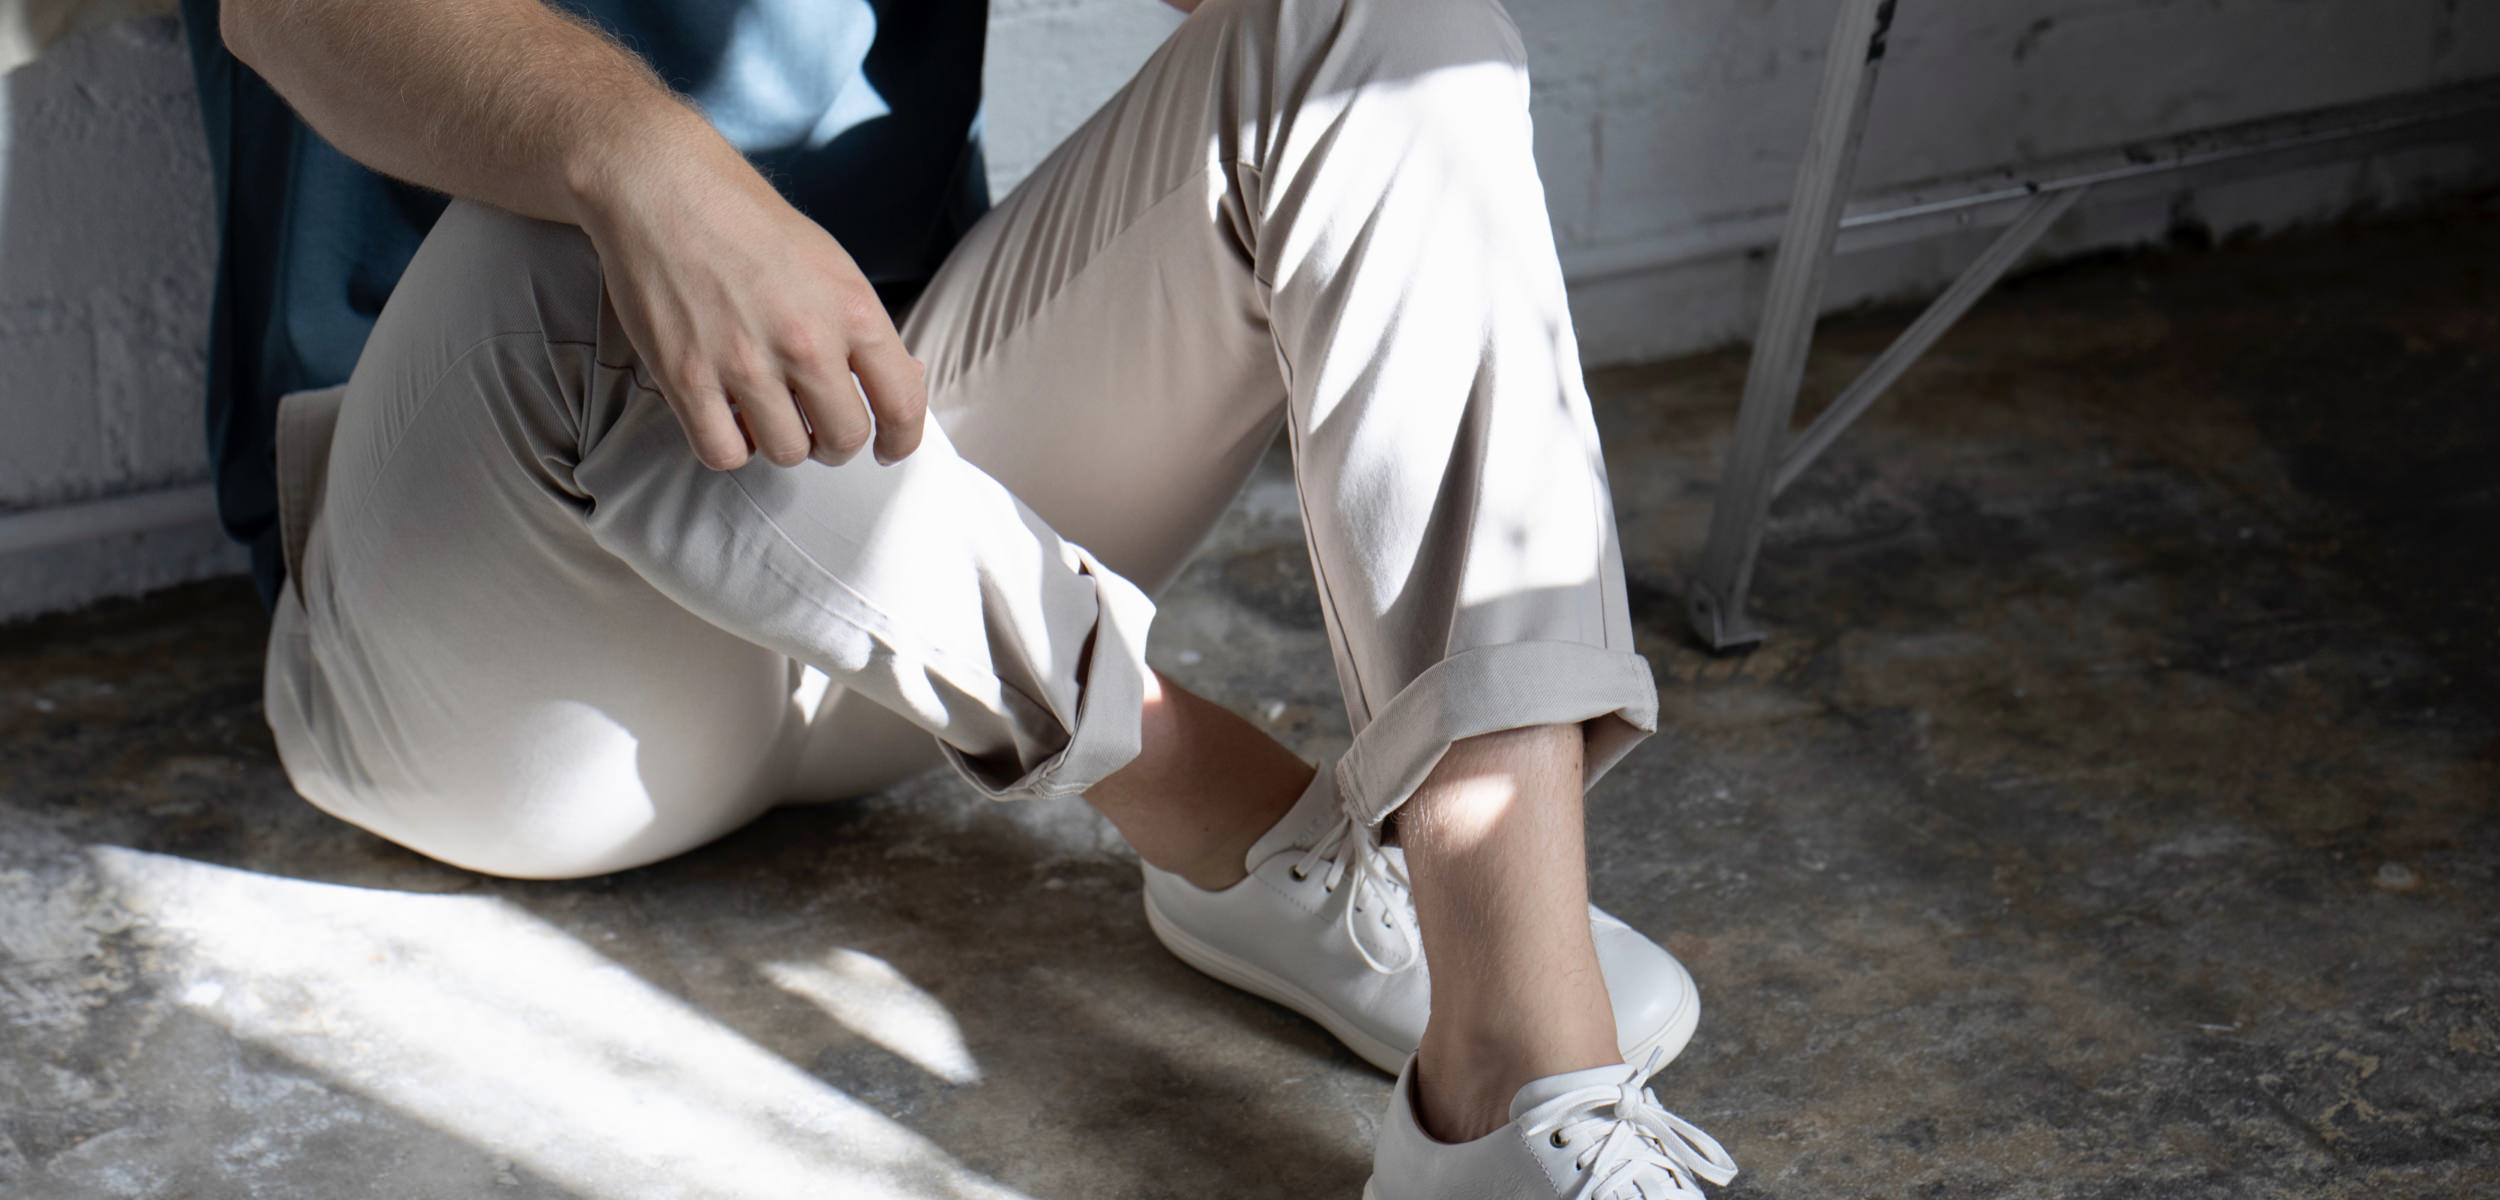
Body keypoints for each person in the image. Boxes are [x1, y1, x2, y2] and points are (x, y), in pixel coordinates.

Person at [203, 0, 1741, 1193]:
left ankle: (1516, 1076)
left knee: (1387, 41)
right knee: (579, 238)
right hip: (503, 632)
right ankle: (1227, 813)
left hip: (900, 531)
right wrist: (644, 164)